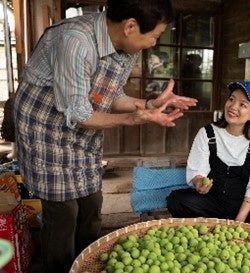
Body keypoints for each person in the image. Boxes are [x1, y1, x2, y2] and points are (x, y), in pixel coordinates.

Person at [12, 1, 197, 272]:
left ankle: (87, 265)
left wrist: (148, 105)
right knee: (63, 213)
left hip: (83, 128)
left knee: (91, 204)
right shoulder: (75, 42)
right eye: (155, 36)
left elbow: (112, 96)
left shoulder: (124, 46)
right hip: (45, 129)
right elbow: (78, 113)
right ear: (130, 26)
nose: (153, 44)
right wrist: (131, 119)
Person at [166, 80, 250, 223]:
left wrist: (239, 221)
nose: (233, 106)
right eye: (231, 99)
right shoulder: (207, 133)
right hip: (212, 202)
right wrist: (199, 183)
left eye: (243, 105)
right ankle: (210, 226)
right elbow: (197, 171)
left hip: (244, 205)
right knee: (176, 200)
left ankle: (215, 222)